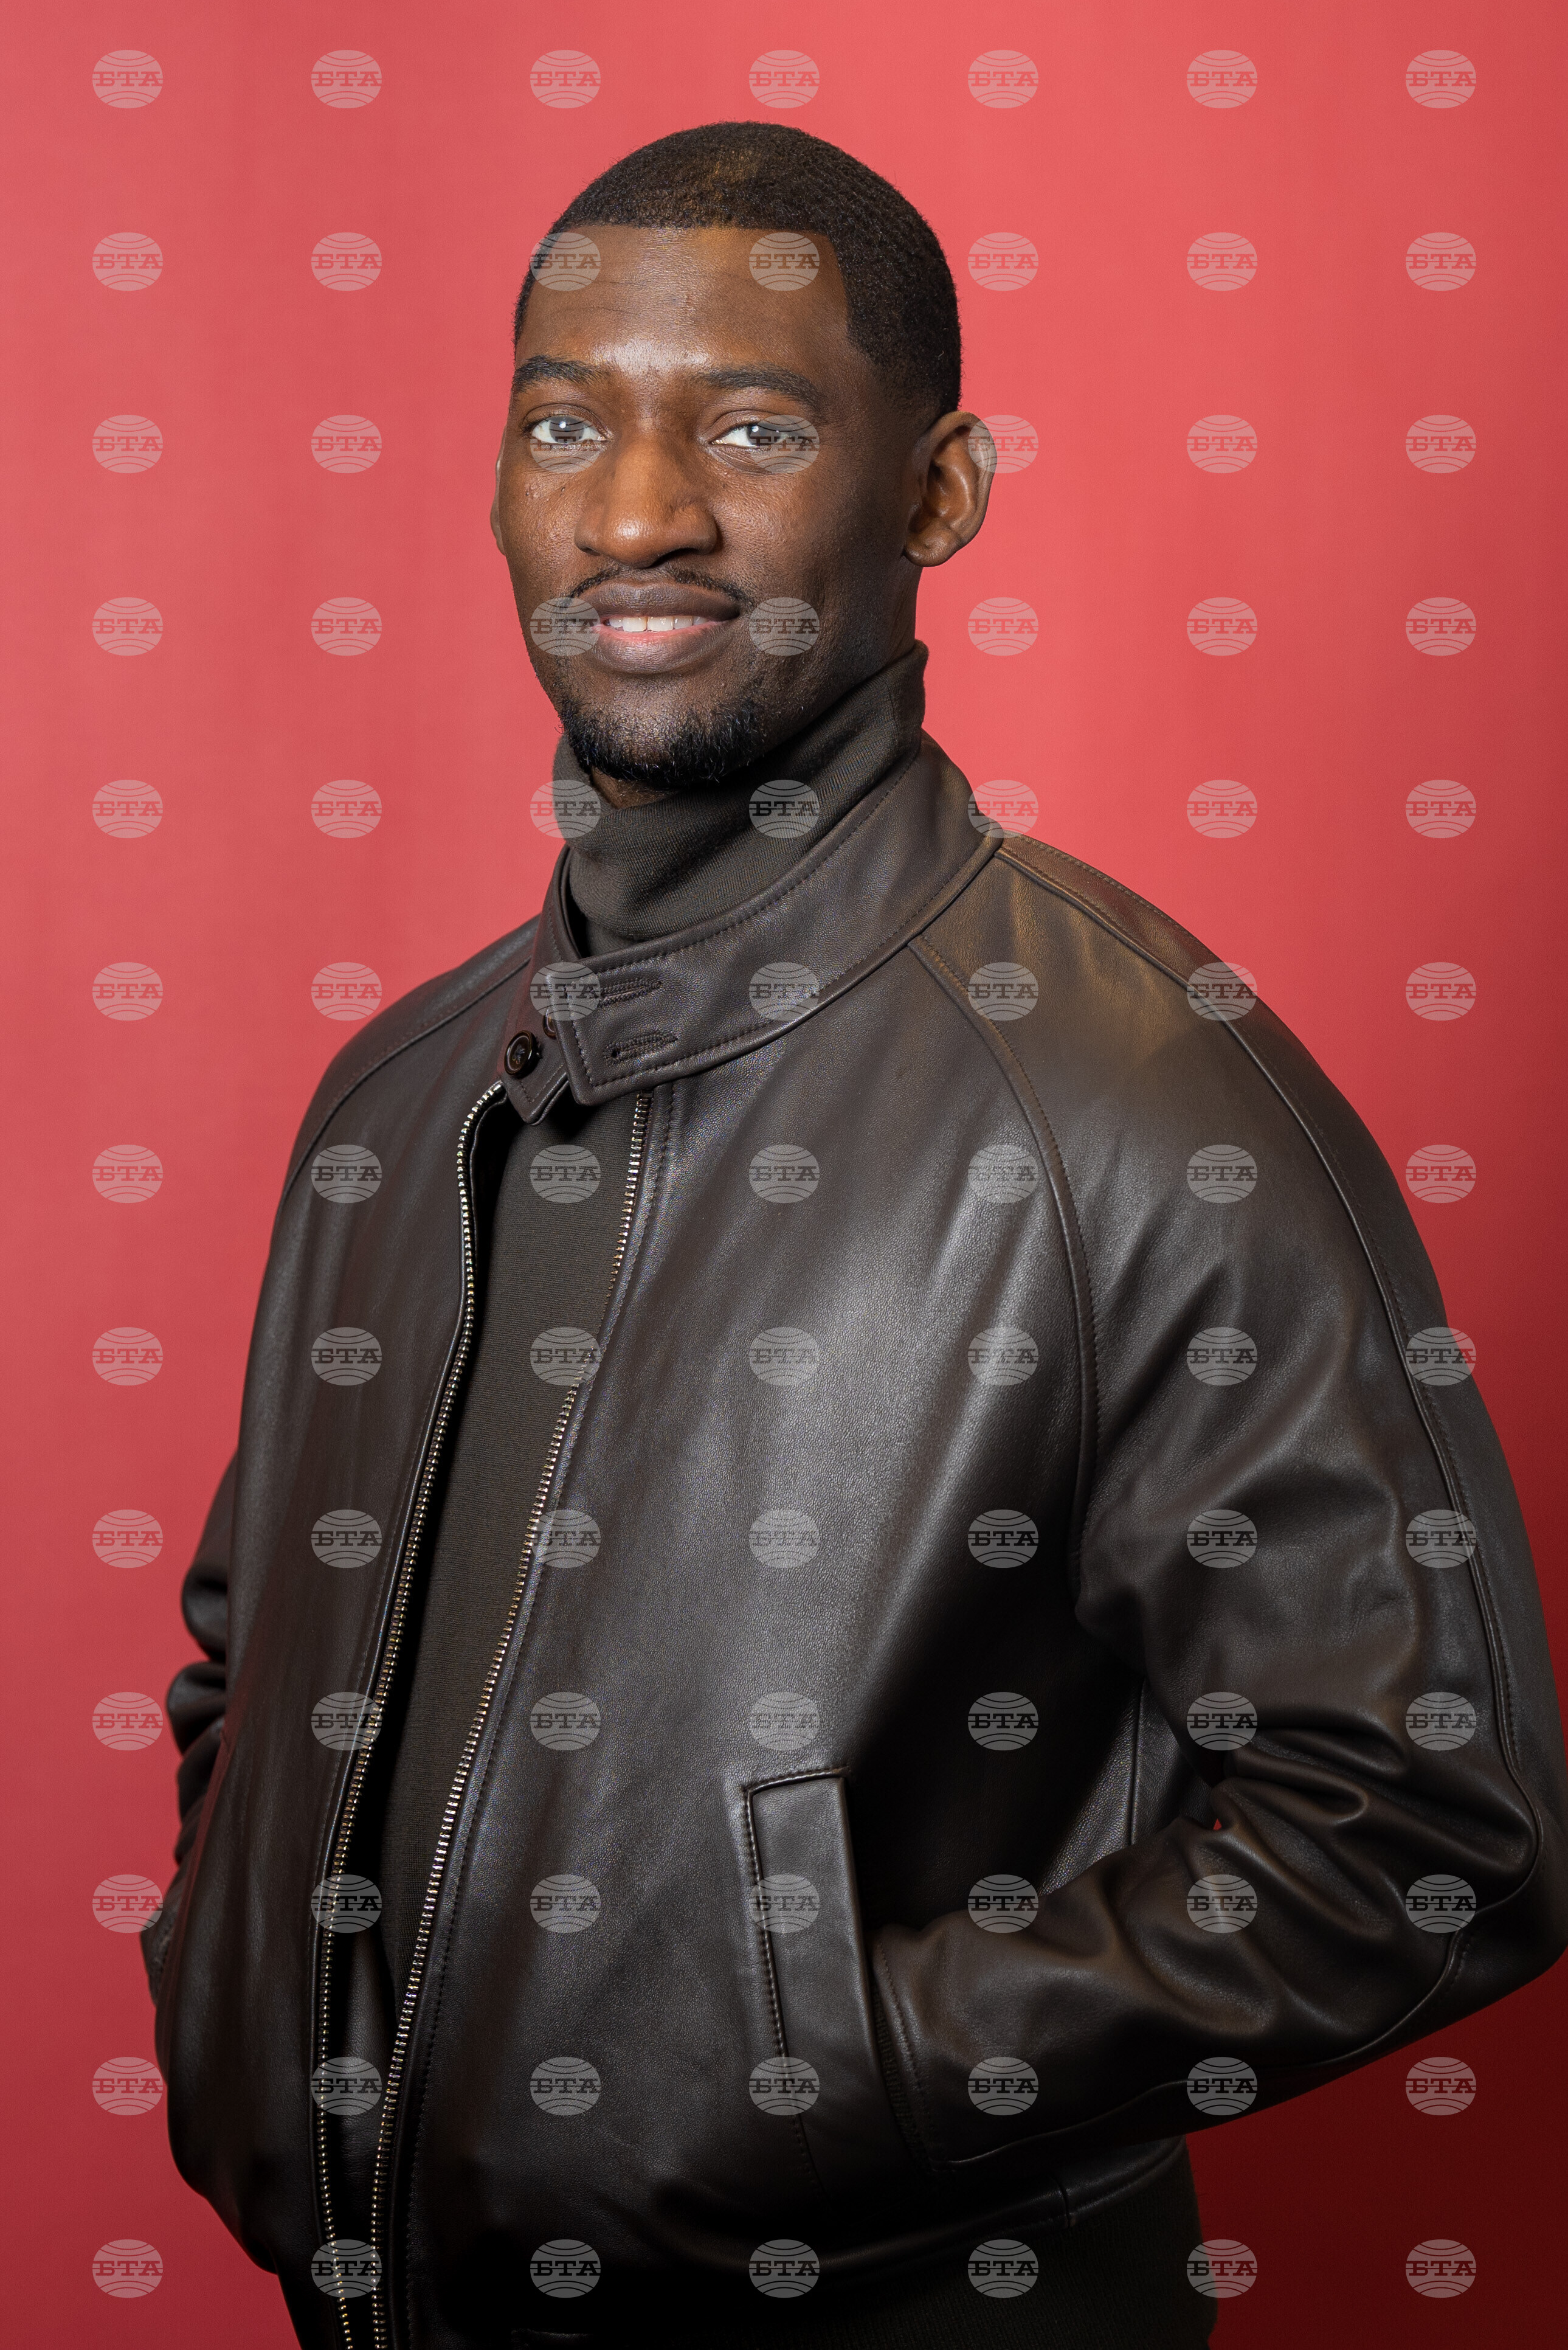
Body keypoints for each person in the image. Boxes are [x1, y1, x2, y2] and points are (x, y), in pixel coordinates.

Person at [145, 122, 1567, 2350]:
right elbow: (255, 1658)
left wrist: (810, 2069)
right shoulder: (400, 1100)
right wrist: (229, 1972)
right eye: (561, 419)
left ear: (938, 491)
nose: (634, 512)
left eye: (750, 423)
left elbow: (1423, 1834)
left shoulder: (1133, 1096)